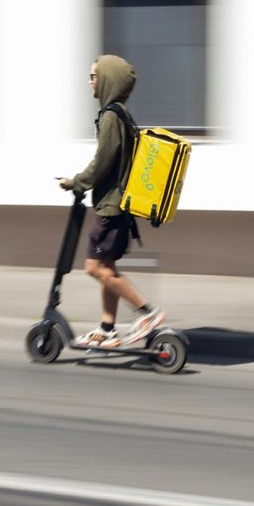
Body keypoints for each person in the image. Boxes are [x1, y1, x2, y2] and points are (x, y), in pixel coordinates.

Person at [57, 54, 168, 349]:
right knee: (107, 268)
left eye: (94, 75)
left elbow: (102, 161)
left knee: (95, 268)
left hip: (111, 207)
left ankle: (147, 312)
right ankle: (107, 328)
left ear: (106, 79)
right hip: (119, 206)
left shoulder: (110, 116)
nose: (90, 81)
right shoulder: (121, 114)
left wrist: (76, 181)